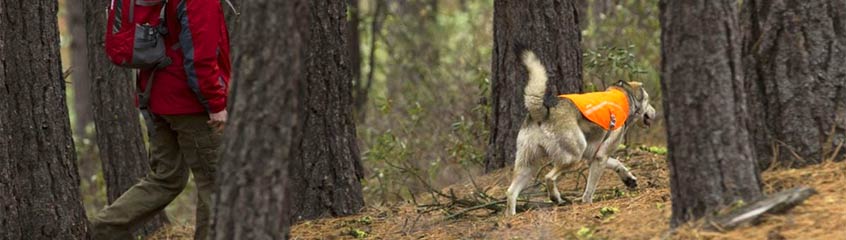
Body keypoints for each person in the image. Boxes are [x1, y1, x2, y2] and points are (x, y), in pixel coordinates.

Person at [92, 0, 231, 239]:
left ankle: (101, 229)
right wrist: (216, 104)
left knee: (167, 178)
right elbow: (200, 58)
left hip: (155, 97)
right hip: (190, 105)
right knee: (216, 182)